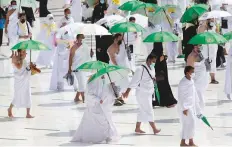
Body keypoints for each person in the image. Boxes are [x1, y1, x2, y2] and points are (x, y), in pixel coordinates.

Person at [71, 76, 119, 143]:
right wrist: (98, 100)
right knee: (96, 122)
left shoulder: (109, 79)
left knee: (106, 121)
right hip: (95, 106)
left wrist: (113, 85)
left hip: (106, 106)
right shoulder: (92, 81)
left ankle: (107, 136)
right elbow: (88, 94)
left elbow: (114, 93)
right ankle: (98, 137)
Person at [123, 53, 161, 134]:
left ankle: (137, 128)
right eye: (153, 61)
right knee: (149, 110)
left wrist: (154, 79)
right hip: (142, 93)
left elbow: (151, 77)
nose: (154, 63)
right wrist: (127, 91)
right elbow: (134, 81)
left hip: (149, 92)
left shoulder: (152, 67)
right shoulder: (140, 69)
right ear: (149, 59)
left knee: (142, 110)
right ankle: (154, 129)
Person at [49, 8, 74, 91]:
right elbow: (56, 31)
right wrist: (62, 27)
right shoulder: (61, 21)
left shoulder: (72, 19)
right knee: (60, 67)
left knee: (68, 66)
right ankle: (60, 85)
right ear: (65, 13)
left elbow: (73, 31)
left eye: (70, 12)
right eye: (68, 12)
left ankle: (70, 83)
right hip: (62, 46)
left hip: (69, 45)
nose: (69, 14)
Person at [178, 66, 201, 146]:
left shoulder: (191, 80)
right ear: (187, 72)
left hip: (191, 105)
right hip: (185, 107)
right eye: (192, 72)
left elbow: (193, 93)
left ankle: (185, 141)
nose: (193, 73)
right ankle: (188, 141)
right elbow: (181, 96)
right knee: (191, 122)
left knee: (188, 124)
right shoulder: (183, 82)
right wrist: (184, 108)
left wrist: (197, 104)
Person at [7, 50, 34, 118]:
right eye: (23, 52)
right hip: (19, 81)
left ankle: (28, 113)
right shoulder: (15, 58)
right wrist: (21, 59)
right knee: (17, 97)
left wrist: (31, 66)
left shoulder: (24, 60)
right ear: (19, 52)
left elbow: (27, 70)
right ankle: (10, 109)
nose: (25, 53)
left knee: (28, 95)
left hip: (26, 81)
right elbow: (18, 67)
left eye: (25, 52)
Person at [152, 42, 177, 107]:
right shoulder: (158, 54)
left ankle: (162, 101)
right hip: (160, 74)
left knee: (162, 87)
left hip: (160, 74)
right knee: (163, 87)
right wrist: (160, 59)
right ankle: (166, 102)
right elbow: (156, 63)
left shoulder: (155, 53)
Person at [68, 34, 92, 103]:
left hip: (85, 67)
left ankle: (76, 98)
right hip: (77, 67)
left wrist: (91, 53)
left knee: (83, 83)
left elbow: (88, 56)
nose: (83, 39)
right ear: (77, 38)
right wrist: (69, 69)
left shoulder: (86, 46)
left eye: (83, 37)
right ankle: (84, 99)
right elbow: (70, 58)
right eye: (82, 37)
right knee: (82, 84)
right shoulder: (74, 47)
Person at [108, 33, 130, 106]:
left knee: (124, 82)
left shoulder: (122, 45)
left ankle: (120, 97)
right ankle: (115, 98)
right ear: (116, 38)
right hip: (115, 67)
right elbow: (113, 59)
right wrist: (118, 69)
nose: (122, 39)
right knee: (116, 83)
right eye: (120, 38)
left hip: (122, 66)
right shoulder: (112, 48)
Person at [187, 45, 209, 110]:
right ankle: (198, 109)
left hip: (203, 76)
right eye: (196, 46)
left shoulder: (201, 53)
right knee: (196, 92)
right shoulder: (191, 56)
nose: (198, 47)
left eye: (200, 46)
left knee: (200, 91)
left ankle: (199, 108)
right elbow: (189, 69)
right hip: (196, 77)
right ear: (193, 47)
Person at [202, 19, 219, 84]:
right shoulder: (203, 26)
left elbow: (217, 34)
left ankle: (213, 78)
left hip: (213, 46)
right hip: (205, 46)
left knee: (213, 61)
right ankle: (204, 78)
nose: (212, 20)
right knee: (205, 61)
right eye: (210, 19)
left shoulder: (214, 26)